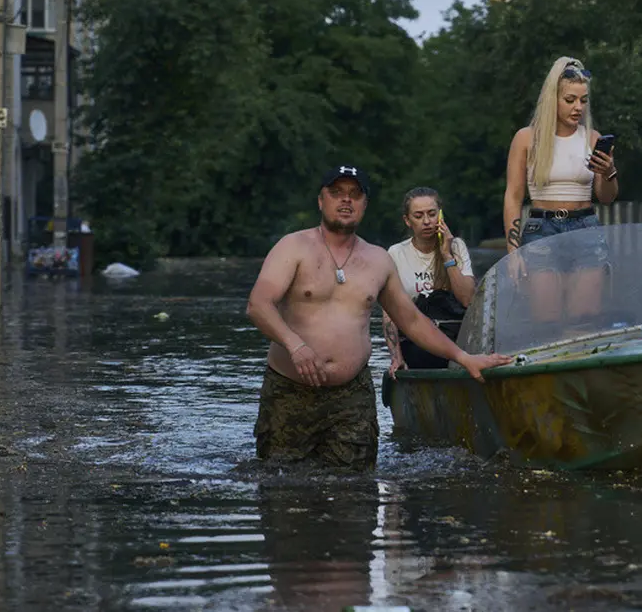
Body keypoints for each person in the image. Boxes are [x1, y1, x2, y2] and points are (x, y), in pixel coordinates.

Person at [245, 165, 512, 470]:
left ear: (364, 205)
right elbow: (259, 305)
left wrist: (464, 358)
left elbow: (411, 321)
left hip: (351, 398)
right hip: (290, 391)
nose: (346, 201)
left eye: (355, 194)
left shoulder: (378, 260)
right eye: (336, 193)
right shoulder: (293, 246)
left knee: (357, 496)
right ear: (321, 201)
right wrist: (296, 346)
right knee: (283, 491)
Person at [502, 56, 620, 334]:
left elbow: (606, 197)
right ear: (553, 98)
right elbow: (513, 196)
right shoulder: (526, 138)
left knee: (585, 320)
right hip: (541, 229)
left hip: (585, 227)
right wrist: (513, 250)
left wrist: (610, 172)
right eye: (570, 100)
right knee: (547, 323)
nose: (578, 107)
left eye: (583, 100)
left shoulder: (592, 138)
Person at [384, 187, 476, 377]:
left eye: (432, 214)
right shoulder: (395, 253)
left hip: (454, 335)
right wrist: (396, 357)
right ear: (407, 221)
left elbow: (467, 299)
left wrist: (446, 255)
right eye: (418, 216)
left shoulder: (456, 247)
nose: (427, 221)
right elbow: (389, 313)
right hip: (417, 340)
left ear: (440, 216)